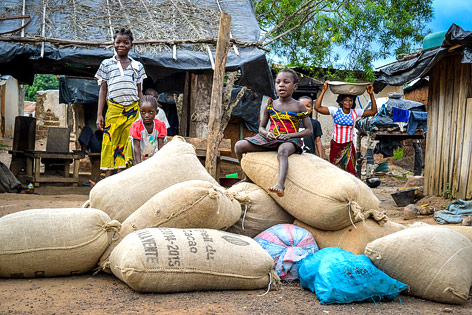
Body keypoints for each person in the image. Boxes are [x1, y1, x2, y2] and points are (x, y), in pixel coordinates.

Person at [234, 68, 313, 197]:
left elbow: (309, 131)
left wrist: (289, 135)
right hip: (270, 138)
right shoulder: (271, 104)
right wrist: (266, 134)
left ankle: (280, 185)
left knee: (282, 152)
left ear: (295, 86)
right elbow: (261, 128)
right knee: (239, 146)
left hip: (289, 140)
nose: (281, 85)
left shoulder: (299, 106)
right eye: (278, 82)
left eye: (286, 82)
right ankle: (248, 176)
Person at [95, 28, 147, 177]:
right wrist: (100, 114)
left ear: (131, 45)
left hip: (132, 111)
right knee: (109, 141)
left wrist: (142, 114)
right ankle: (107, 178)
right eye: (118, 42)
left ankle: (120, 176)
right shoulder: (106, 64)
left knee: (127, 142)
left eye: (126, 42)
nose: (121, 45)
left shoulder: (137, 66)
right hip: (113, 109)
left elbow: (139, 92)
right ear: (113, 44)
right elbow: (103, 90)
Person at [315, 81, 377, 177]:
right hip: (336, 145)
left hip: (348, 146)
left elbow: (373, 111)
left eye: (351, 100)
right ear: (341, 102)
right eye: (346, 100)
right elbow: (317, 108)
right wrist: (324, 90)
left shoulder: (355, 112)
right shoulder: (335, 111)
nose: (348, 102)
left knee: (351, 170)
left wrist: (371, 94)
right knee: (334, 170)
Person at [128, 95, 167, 164]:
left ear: (156, 112)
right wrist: (139, 165)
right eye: (143, 112)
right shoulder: (136, 126)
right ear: (140, 112)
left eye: (150, 112)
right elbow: (136, 148)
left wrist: (161, 162)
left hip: (154, 158)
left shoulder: (160, 126)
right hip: (139, 158)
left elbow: (161, 146)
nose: (146, 115)